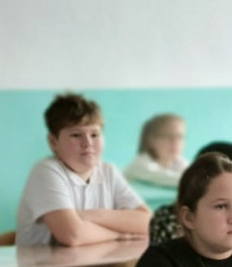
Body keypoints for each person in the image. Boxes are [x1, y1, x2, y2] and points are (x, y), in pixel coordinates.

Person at [15, 92, 151, 247]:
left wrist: (94, 215)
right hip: (45, 263)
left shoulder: (108, 171)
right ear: (53, 142)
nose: (87, 143)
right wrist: (120, 234)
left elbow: (148, 223)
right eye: (76, 135)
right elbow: (73, 235)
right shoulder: (46, 171)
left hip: (99, 262)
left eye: (94, 134)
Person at [124, 113, 189, 187]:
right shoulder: (140, 164)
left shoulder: (180, 162)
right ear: (151, 140)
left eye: (180, 136)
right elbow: (170, 179)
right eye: (168, 136)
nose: (175, 142)